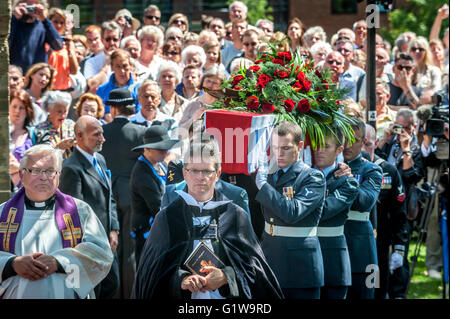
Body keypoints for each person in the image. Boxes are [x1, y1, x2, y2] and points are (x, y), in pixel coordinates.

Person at [132, 141, 283, 299]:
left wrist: (227, 277)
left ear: (217, 174)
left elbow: (254, 269)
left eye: (207, 171)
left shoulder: (235, 216)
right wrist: (181, 279)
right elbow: (152, 273)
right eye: (194, 171)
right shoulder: (167, 218)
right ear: (184, 173)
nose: (200, 177)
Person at [0, 144, 113, 298]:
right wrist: (12, 264)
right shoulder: (2, 213)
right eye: (36, 170)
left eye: (50, 171)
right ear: (21, 174)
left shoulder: (79, 211)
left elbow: (101, 254)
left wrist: (60, 262)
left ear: (59, 175)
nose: (43, 177)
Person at [255, 121, 326, 299]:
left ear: (300, 146)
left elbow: (292, 212)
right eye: (275, 147)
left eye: (285, 148)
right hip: (271, 258)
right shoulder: (268, 175)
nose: (279, 153)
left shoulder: (312, 177)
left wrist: (263, 187)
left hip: (299, 267)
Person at [59, 116, 120, 299]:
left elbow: (110, 198)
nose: (103, 139)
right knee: (98, 290)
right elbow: (75, 212)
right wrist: (92, 241)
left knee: (112, 284)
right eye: (96, 135)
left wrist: (114, 229)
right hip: (90, 244)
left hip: (107, 240)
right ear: (79, 135)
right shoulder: (72, 168)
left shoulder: (99, 159)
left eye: (102, 133)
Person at [100, 88, 147, 299]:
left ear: (112, 107)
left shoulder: (102, 132)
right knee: (129, 250)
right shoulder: (140, 132)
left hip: (106, 196)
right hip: (131, 196)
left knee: (109, 247)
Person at [375, 109, 426, 298]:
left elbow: (410, 175)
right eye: (398, 127)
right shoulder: (389, 145)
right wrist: (385, 139)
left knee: (399, 251)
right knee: (381, 250)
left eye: (405, 127)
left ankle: (398, 292)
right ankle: (381, 289)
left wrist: (406, 148)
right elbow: (373, 161)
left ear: (413, 127)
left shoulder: (416, 150)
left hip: (403, 207)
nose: (401, 132)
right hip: (384, 206)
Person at [362, 124, 409, 299]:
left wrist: (399, 248)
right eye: (360, 143)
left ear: (376, 144)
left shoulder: (387, 170)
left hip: (379, 242)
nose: (363, 149)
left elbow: (399, 213)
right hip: (354, 241)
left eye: (367, 144)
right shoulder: (347, 168)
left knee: (376, 290)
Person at [313, 127, 359, 299]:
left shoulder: (347, 182)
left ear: (339, 150)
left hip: (332, 259)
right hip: (305, 260)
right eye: (317, 145)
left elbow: (324, 211)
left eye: (326, 146)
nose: (319, 151)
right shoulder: (305, 175)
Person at [342, 119, 383, 299]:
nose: (348, 145)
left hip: (360, 248)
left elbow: (365, 202)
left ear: (363, 143)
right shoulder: (324, 167)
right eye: (344, 138)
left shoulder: (372, 170)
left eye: (355, 140)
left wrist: (348, 179)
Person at [130, 124, 180, 265]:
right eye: (160, 149)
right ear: (148, 149)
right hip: (148, 233)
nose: (165, 153)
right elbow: (156, 205)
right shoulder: (141, 172)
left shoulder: (160, 164)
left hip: (160, 228)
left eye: (166, 149)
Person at [9, 89, 50, 189]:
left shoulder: (38, 136)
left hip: (28, 192)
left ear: (28, 110)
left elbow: (47, 164)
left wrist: (19, 168)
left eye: (21, 108)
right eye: (14, 106)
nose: (17, 111)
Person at [10, 0, 63, 73]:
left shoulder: (42, 25)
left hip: (36, 76)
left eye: (33, 7)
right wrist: (14, 17)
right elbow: (6, 43)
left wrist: (44, 19)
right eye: (27, 6)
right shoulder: (13, 23)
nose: (30, 9)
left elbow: (58, 45)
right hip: (15, 75)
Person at [179, 66, 227, 131]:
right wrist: (193, 119)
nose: (210, 85)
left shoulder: (226, 105)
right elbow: (180, 130)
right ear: (203, 82)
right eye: (208, 81)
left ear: (221, 87)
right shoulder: (193, 103)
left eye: (215, 83)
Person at [96, 49, 139, 122]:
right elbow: (97, 114)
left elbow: (141, 113)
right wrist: (105, 117)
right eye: (118, 66)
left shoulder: (138, 89)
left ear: (130, 66)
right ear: (112, 67)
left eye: (125, 66)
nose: (122, 71)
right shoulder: (102, 90)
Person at [83, 21, 122, 93]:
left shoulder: (127, 60)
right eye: (108, 39)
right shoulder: (91, 62)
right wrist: (107, 64)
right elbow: (92, 84)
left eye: (115, 39)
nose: (112, 43)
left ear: (120, 40)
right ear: (102, 40)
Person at [36, 91, 75, 160]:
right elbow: (41, 157)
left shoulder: (71, 125)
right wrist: (58, 148)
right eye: (59, 111)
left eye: (65, 111)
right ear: (49, 109)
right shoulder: (40, 130)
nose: (63, 116)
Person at [47, 8, 78, 91]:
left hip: (64, 90)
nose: (59, 25)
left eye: (62, 23)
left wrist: (69, 50)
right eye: (55, 22)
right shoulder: (44, 40)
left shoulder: (67, 42)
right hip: (47, 89)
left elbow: (74, 71)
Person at [408, 37, 442, 104]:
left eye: (420, 49)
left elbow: (435, 92)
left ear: (426, 52)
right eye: (413, 49)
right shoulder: (404, 70)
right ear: (409, 52)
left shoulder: (434, 71)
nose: (417, 51)